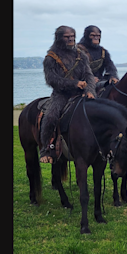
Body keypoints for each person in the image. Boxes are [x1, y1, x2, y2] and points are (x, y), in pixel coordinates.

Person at [40, 25, 97, 163]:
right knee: (51, 116)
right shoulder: (51, 58)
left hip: (81, 93)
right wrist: (74, 83)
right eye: (67, 37)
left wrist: (90, 90)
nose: (71, 39)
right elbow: (52, 80)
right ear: (58, 38)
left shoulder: (80, 55)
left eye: (72, 36)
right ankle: (45, 149)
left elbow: (89, 75)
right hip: (61, 94)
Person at [77, 25, 119, 90]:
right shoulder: (77, 51)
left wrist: (113, 76)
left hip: (99, 81)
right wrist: (89, 78)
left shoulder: (103, 51)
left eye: (98, 36)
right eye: (93, 36)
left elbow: (110, 67)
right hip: (82, 82)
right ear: (86, 36)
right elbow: (73, 71)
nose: (96, 38)